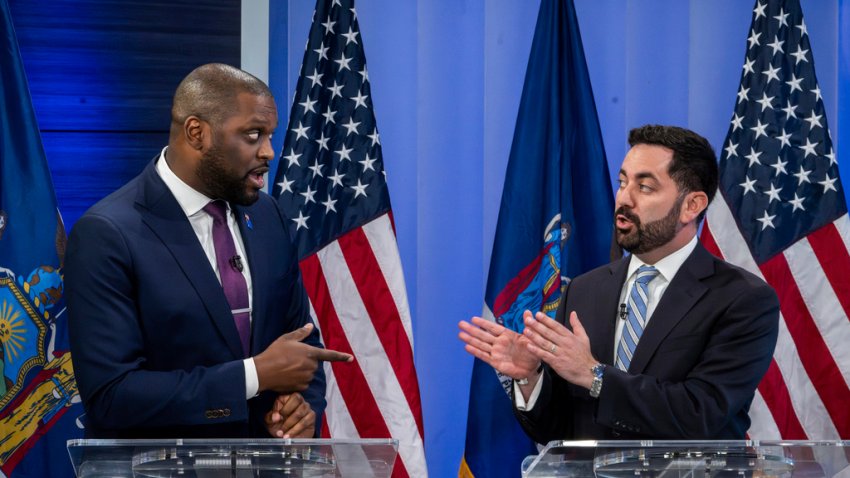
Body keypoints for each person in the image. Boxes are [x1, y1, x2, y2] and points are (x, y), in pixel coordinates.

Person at [66, 63, 352, 440]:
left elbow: (299, 343)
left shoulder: (267, 216)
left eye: (269, 135)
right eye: (253, 134)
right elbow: (112, 396)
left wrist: (300, 408)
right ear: (197, 133)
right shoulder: (107, 233)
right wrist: (254, 376)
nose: (268, 151)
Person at [459, 125, 779, 442]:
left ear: (691, 205)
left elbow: (701, 412)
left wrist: (594, 375)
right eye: (623, 182)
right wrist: (531, 377)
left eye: (645, 187)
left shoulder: (742, 299)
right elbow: (558, 429)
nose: (624, 199)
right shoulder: (584, 291)